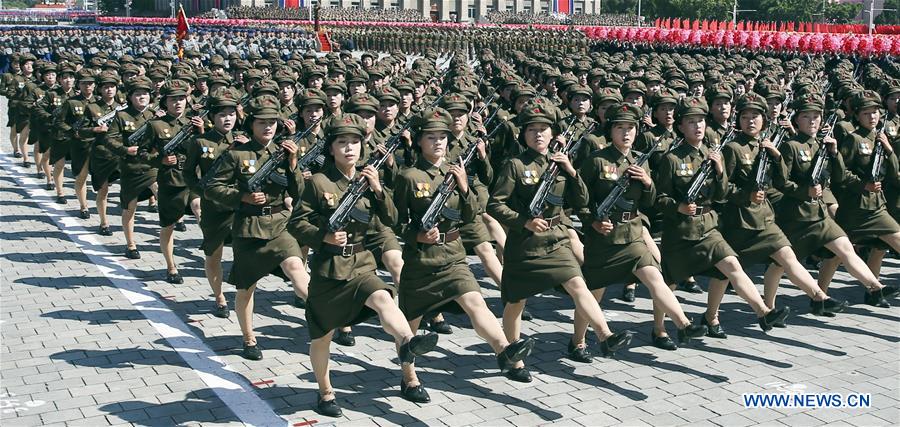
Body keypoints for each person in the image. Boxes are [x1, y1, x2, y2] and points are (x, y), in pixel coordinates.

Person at [288, 113, 438, 417]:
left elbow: (394, 220)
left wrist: (380, 191)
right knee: (322, 336)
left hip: (360, 264)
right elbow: (297, 224)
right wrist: (324, 236)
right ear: (331, 148)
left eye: (355, 142)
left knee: (384, 296)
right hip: (329, 271)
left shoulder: (369, 180)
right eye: (342, 142)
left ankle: (408, 342)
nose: (349, 148)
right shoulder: (319, 182)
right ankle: (325, 392)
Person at [393, 107, 536, 402]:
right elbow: (394, 222)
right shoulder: (408, 176)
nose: (438, 143)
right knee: (410, 328)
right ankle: (409, 379)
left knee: (475, 301)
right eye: (431, 137)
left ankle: (504, 350)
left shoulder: (456, 172)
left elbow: (471, 214)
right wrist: (417, 235)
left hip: (453, 255)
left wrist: (464, 186)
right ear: (419, 141)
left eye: (443, 137)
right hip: (421, 262)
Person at [487, 100, 632, 383]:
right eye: (532, 130)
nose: (538, 134)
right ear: (524, 135)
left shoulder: (561, 163)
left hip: (556, 239)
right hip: (526, 242)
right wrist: (523, 221)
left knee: (578, 284)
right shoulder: (515, 165)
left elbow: (582, 200)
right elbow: (495, 204)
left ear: (553, 134)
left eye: (544, 129)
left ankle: (605, 335)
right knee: (516, 301)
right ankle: (513, 357)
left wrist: (572, 171)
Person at [574, 102, 707, 357]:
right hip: (604, 238)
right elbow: (578, 199)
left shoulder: (639, 161)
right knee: (593, 294)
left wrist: (647, 183)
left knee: (655, 278)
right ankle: (577, 342)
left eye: (631, 128)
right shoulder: (596, 161)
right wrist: (591, 221)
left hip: (633, 234)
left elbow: (651, 202)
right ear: (610, 130)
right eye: (620, 127)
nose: (626, 133)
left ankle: (684, 324)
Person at [655, 96, 791, 339]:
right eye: (690, 122)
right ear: (680, 127)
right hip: (680, 231)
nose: (697, 126)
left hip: (708, 227)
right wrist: (678, 207)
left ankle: (763, 312)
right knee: (670, 282)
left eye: (700, 121)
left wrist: (719, 172)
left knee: (732, 266)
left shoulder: (712, 154)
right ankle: (660, 329)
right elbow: (659, 198)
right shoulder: (671, 159)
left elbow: (720, 195)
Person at [205, 95, 309, 360]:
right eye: (262, 122)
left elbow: (299, 191)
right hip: (249, 228)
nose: (268, 127)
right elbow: (212, 187)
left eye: (272, 122)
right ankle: (249, 338)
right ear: (251, 123)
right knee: (246, 287)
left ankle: (322, 317)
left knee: (298, 269)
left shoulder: (284, 152)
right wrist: (242, 196)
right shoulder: (236, 154)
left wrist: (294, 164)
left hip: (279, 225)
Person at [768, 93, 893, 311]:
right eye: (807, 117)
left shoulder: (823, 145)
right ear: (797, 120)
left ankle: (875, 286)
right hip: (795, 216)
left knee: (845, 248)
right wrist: (803, 191)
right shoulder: (791, 146)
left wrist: (835, 154)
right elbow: (780, 182)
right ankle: (767, 306)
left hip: (819, 214)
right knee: (780, 264)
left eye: (816, 116)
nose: (813, 121)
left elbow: (839, 177)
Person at [833, 90, 900, 307]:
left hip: (877, 206)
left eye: (875, 112)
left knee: (883, 245)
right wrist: (863, 185)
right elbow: (840, 174)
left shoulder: (881, 137)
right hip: (854, 207)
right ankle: (820, 295)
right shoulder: (853, 139)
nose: (872, 117)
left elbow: (893, 173)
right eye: (866, 113)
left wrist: (889, 150)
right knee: (834, 254)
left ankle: (873, 292)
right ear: (857, 116)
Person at [184, 88, 246, 318]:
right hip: (215, 209)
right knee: (214, 254)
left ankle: (243, 294)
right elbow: (188, 173)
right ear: (212, 117)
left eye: (231, 113)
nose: (227, 118)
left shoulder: (244, 141)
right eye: (221, 114)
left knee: (244, 254)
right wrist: (201, 192)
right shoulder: (200, 142)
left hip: (240, 207)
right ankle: (219, 297)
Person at [144, 80, 203, 284]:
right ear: (165, 102)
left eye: (181, 98)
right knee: (167, 226)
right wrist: (159, 160)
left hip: (192, 179)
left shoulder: (196, 121)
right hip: (170, 182)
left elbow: (207, 148)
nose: (178, 103)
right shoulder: (155, 125)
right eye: (173, 99)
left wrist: (202, 132)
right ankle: (171, 266)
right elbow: (142, 153)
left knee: (198, 206)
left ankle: (210, 249)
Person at [105, 76, 159, 259]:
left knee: (161, 192)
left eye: (145, 93)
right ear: (130, 97)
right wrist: (125, 149)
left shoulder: (154, 115)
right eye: (137, 94)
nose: (142, 97)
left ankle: (168, 231)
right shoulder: (122, 116)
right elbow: (109, 139)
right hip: (131, 167)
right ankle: (130, 244)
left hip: (151, 166)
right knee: (130, 207)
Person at [85, 71, 124, 236]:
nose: (109, 90)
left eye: (112, 87)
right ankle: (104, 222)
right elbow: (79, 130)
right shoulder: (92, 107)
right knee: (103, 191)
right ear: (100, 89)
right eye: (106, 87)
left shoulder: (123, 107)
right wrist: (95, 129)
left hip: (121, 154)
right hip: (102, 155)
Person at [54, 69, 97, 214]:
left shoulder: (99, 102)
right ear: (79, 84)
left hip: (98, 145)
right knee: (81, 176)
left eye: (90, 83)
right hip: (80, 145)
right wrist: (73, 132)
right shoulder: (71, 102)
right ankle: (83, 206)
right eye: (84, 83)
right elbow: (59, 122)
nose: (88, 86)